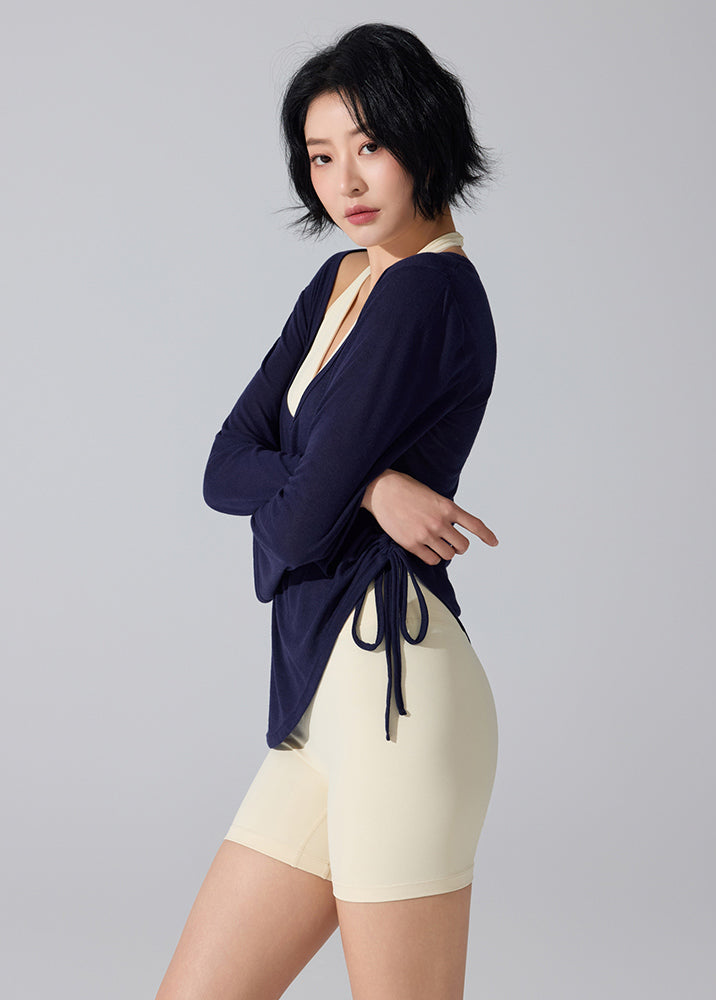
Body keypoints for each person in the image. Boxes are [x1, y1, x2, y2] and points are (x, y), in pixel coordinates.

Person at [156, 22, 500, 1000]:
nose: (343, 180)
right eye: (319, 156)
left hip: (397, 694)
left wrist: (324, 489)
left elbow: (296, 525)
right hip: (322, 709)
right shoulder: (344, 280)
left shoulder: (429, 294)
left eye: (369, 145)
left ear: (423, 136)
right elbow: (222, 464)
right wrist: (371, 484)